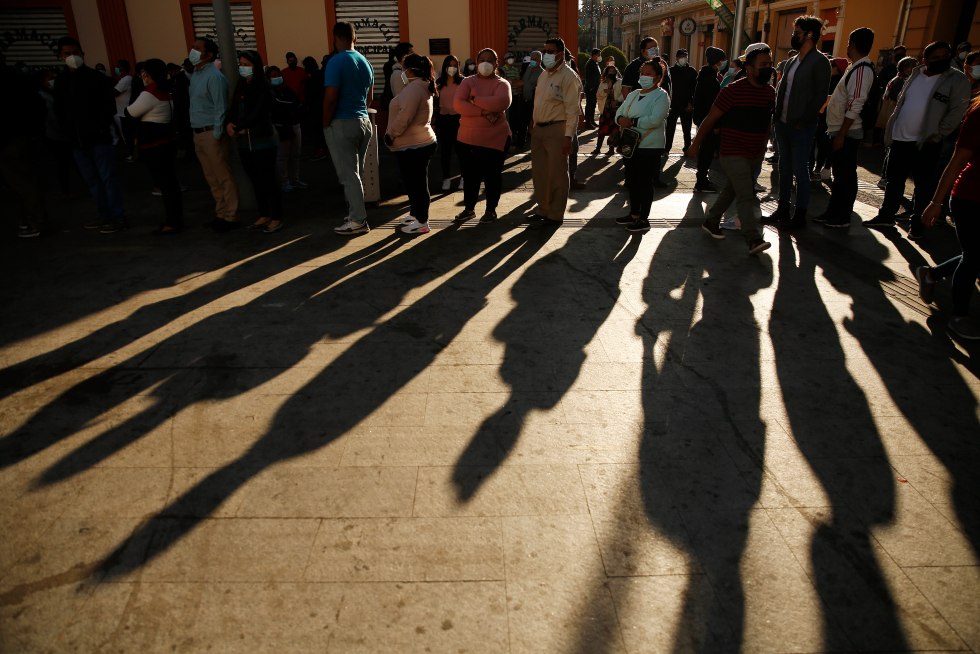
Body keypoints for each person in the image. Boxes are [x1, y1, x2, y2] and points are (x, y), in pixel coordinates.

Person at [866, 41, 971, 240]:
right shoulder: (916, 74)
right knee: (894, 181)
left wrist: (939, 133)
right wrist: (892, 130)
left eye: (945, 56)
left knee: (923, 187)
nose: (941, 60)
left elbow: (958, 111)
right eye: (936, 57)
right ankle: (886, 216)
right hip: (900, 138)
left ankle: (918, 225)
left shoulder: (957, 80)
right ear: (926, 59)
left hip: (927, 142)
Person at [691, 43, 775, 255]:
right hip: (732, 151)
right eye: (763, 64)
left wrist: (763, 147)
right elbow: (710, 119)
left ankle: (711, 221)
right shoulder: (732, 90)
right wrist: (695, 144)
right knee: (746, 194)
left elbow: (766, 123)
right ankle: (753, 238)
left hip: (754, 152)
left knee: (732, 189)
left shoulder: (769, 93)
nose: (768, 68)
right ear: (749, 67)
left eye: (770, 64)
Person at [917, 96, 980, 339]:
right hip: (971, 199)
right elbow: (956, 161)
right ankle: (959, 316)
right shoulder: (977, 115)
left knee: (974, 254)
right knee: (974, 257)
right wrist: (935, 202)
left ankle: (931, 274)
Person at [764, 15, 831, 229]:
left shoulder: (820, 62)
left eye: (797, 33)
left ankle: (800, 214)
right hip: (783, 124)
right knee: (784, 167)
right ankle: (783, 207)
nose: (794, 36)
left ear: (810, 35)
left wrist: (805, 120)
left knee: (800, 170)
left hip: (802, 126)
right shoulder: (792, 61)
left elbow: (820, 95)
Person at [53, 36, 126, 233]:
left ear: (83, 54)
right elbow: (59, 111)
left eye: (75, 53)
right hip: (77, 141)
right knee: (93, 182)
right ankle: (104, 214)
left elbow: (108, 107)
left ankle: (116, 216)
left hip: (98, 139)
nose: (72, 57)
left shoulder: (97, 79)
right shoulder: (61, 82)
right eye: (67, 53)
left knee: (107, 178)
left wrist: (99, 128)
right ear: (61, 56)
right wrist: (69, 133)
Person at [818, 28, 876, 228]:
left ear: (854, 44)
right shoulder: (854, 67)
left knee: (845, 176)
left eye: (849, 42)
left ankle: (841, 216)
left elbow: (855, 104)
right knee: (839, 175)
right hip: (839, 130)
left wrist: (842, 134)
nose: (846, 46)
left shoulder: (862, 70)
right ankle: (833, 212)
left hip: (848, 132)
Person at [323, 21, 375, 235]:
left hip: (343, 123)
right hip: (363, 121)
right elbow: (370, 98)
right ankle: (356, 213)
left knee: (348, 175)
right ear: (355, 38)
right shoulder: (365, 61)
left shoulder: (336, 62)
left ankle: (358, 220)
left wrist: (325, 122)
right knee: (356, 173)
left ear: (335, 38)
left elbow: (331, 97)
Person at [453, 47, 512, 224]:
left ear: (496, 63)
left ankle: (490, 210)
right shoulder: (467, 82)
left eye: (490, 59)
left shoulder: (502, 84)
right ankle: (469, 209)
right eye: (482, 59)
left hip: (495, 140)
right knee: (470, 177)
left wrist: (473, 100)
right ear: (477, 63)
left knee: (492, 177)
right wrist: (485, 112)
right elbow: (458, 104)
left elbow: (502, 102)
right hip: (467, 140)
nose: (485, 63)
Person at [125, 58, 183, 235]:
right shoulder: (165, 91)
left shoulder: (149, 93)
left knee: (165, 185)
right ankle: (175, 219)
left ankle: (172, 222)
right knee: (170, 184)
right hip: (166, 143)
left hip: (154, 146)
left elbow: (130, 112)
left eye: (144, 73)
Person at [226, 50, 282, 233]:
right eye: (241, 64)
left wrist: (243, 124)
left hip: (262, 141)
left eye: (247, 64)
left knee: (269, 180)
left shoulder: (263, 87)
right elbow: (233, 108)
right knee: (255, 180)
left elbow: (259, 112)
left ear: (256, 66)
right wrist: (230, 124)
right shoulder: (241, 86)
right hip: (244, 143)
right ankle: (263, 214)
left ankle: (276, 216)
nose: (243, 68)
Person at [188, 36, 239, 231]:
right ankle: (221, 213)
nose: (192, 50)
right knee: (211, 177)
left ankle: (231, 216)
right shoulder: (196, 75)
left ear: (208, 54)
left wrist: (217, 134)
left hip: (211, 132)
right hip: (198, 132)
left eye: (197, 48)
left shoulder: (214, 77)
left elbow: (221, 108)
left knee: (223, 176)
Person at [529, 36, 581, 229]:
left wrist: (568, 137)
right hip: (539, 129)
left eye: (550, 51)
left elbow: (572, 110)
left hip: (558, 129)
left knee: (558, 173)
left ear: (561, 53)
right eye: (544, 51)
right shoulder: (544, 75)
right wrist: (533, 123)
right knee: (541, 172)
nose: (546, 55)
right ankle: (543, 208)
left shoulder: (568, 77)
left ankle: (556, 214)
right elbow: (538, 102)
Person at [613, 58, 669, 234]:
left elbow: (656, 119)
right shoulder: (634, 94)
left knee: (645, 181)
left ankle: (643, 219)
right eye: (642, 73)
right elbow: (620, 112)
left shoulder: (661, 95)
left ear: (658, 77)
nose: (644, 76)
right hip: (630, 143)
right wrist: (620, 119)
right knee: (632, 179)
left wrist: (632, 121)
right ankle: (634, 213)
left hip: (649, 145)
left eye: (648, 74)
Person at [385, 54, 438, 234]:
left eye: (403, 67)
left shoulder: (414, 89)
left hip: (414, 146)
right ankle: (416, 214)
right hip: (417, 143)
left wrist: (391, 135)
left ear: (410, 69)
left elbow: (404, 116)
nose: (402, 71)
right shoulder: (420, 86)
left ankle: (422, 222)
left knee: (417, 185)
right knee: (414, 184)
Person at [1, 56, 46, 237]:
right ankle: (30, 220)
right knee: (22, 182)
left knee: (22, 183)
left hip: (10, 140)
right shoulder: (18, 79)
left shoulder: (10, 81)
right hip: (21, 137)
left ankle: (35, 221)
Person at [692, 46, 727, 192]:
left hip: (702, 119)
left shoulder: (703, 76)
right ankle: (701, 181)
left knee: (705, 151)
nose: (724, 63)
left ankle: (702, 179)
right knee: (706, 151)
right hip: (709, 122)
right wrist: (716, 125)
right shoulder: (711, 80)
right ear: (717, 62)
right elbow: (712, 105)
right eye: (722, 60)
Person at [267, 65, 306, 192]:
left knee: (295, 154)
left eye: (278, 75)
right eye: (273, 76)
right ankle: (284, 182)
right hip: (281, 127)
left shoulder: (287, 90)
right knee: (283, 156)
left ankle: (295, 179)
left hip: (294, 124)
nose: (277, 77)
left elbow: (297, 103)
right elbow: (285, 105)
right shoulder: (270, 93)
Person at [435, 55, 463, 191]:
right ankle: (446, 179)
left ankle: (463, 178)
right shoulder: (439, 82)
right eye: (450, 65)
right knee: (445, 152)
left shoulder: (463, 81)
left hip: (459, 119)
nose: (452, 68)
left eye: (455, 65)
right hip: (444, 119)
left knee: (461, 151)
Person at [665, 48, 697, 155]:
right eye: (682, 57)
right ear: (677, 58)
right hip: (673, 105)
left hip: (686, 105)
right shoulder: (671, 71)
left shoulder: (692, 71)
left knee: (686, 129)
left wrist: (691, 103)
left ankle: (687, 148)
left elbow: (694, 89)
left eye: (686, 57)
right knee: (670, 128)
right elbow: (667, 88)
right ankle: (666, 149)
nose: (684, 59)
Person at [512, 50, 542, 149]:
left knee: (534, 125)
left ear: (539, 60)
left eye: (535, 59)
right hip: (524, 100)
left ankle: (536, 145)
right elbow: (524, 81)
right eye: (531, 59)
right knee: (522, 123)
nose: (532, 61)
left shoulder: (542, 73)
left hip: (534, 102)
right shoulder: (529, 68)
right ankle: (520, 145)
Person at [595, 63, 623, 154]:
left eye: (613, 71)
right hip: (605, 109)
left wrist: (617, 100)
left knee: (614, 129)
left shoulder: (619, 82)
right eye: (610, 71)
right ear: (606, 72)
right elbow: (598, 94)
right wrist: (606, 92)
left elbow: (623, 94)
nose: (612, 72)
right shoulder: (603, 83)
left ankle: (611, 149)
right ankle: (598, 148)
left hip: (615, 110)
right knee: (602, 130)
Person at [112, 59, 132, 146]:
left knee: (126, 134)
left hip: (124, 112)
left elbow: (114, 92)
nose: (115, 69)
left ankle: (131, 154)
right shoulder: (124, 79)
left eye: (117, 67)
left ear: (122, 68)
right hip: (122, 111)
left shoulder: (126, 79)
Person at [584, 48, 601, 127]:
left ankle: (592, 120)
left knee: (593, 105)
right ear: (594, 55)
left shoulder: (595, 63)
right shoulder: (590, 63)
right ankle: (588, 122)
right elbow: (588, 77)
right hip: (591, 88)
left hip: (595, 88)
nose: (600, 56)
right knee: (590, 105)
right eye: (598, 55)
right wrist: (591, 87)